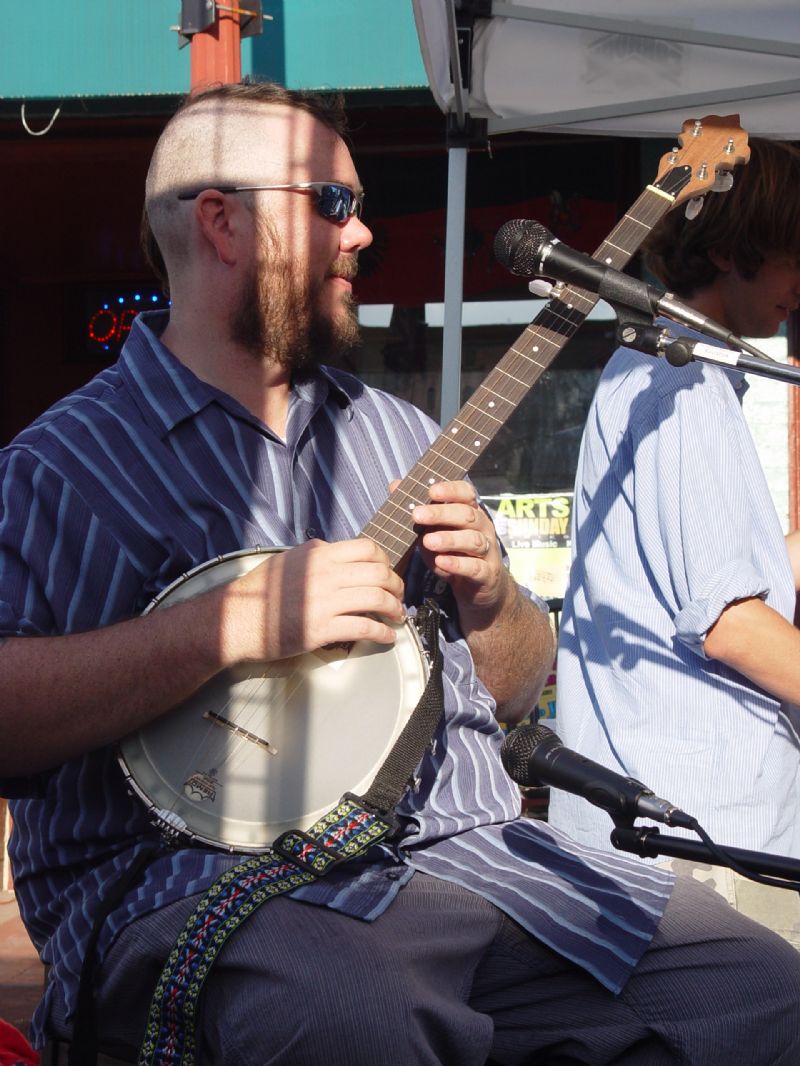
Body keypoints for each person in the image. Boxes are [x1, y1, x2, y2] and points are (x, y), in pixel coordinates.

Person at [1, 83, 799, 1066]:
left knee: (759, 989)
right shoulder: (67, 465)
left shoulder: (400, 435)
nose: (364, 233)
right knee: (343, 1011)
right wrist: (235, 623)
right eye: (332, 204)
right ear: (223, 222)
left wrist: (492, 596)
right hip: (216, 885)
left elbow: (509, 687)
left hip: (476, 860)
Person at [550, 137, 800, 946]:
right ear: (732, 251)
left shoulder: (658, 373)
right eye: (796, 251)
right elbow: (729, 624)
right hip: (705, 840)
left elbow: (723, 585)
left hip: (684, 835)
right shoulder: (683, 384)